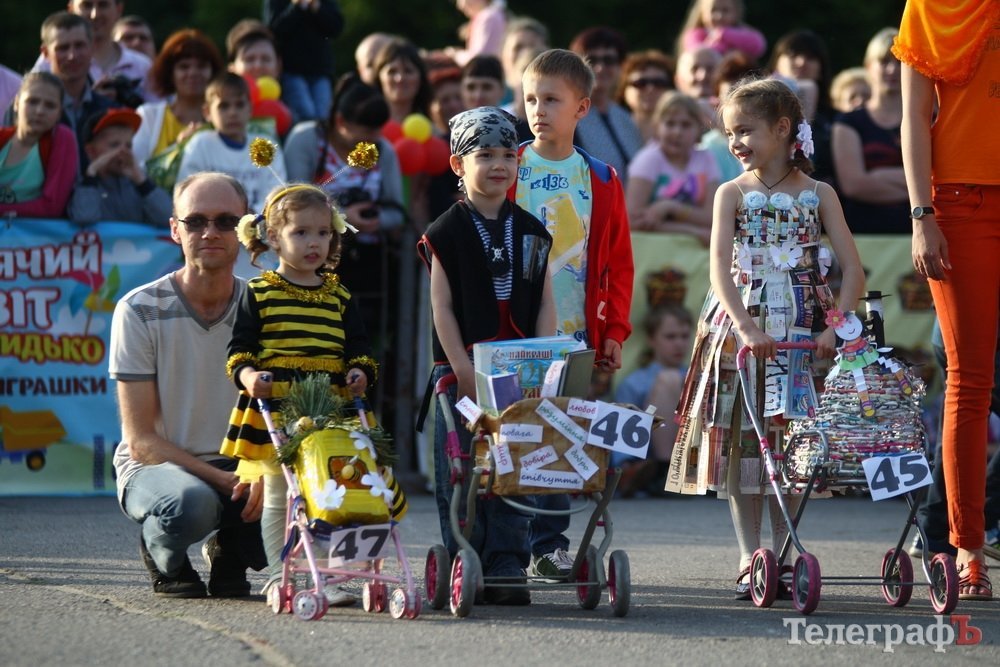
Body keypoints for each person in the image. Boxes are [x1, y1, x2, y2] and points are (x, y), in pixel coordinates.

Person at [671, 77, 864, 600]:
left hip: (803, 326)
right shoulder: (730, 193)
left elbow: (851, 269)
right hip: (741, 327)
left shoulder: (819, 193)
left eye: (746, 131)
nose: (735, 142)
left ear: (783, 129)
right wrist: (746, 326)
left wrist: (835, 325)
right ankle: (746, 553)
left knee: (791, 442)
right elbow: (718, 271)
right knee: (741, 443)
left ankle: (783, 553)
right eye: (730, 132)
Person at [223, 182, 403, 605]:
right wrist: (248, 375)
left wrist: (360, 368)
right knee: (279, 493)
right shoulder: (259, 291)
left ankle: (338, 573)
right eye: (301, 232)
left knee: (343, 487)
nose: (314, 242)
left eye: (323, 232)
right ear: (272, 237)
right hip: (277, 404)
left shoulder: (339, 294)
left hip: (334, 404)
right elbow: (240, 347)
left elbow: (358, 344)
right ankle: (276, 572)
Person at [419, 106, 554, 604]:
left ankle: (506, 563)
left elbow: (544, 301)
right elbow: (442, 306)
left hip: (519, 368)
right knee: (460, 469)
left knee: (515, 464)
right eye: (484, 155)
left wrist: (543, 360)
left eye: (507, 154)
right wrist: (460, 368)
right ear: (458, 164)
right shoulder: (446, 231)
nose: (498, 164)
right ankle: (465, 558)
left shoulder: (533, 229)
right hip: (463, 370)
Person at [110, 171, 266, 599]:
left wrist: (269, 476)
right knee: (191, 505)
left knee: (306, 497)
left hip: (241, 464)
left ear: (247, 227)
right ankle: (165, 555)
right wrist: (223, 483)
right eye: (195, 221)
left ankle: (230, 550)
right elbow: (141, 442)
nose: (210, 232)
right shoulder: (138, 309)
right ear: (175, 230)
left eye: (225, 221)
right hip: (162, 469)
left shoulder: (266, 308)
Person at [514, 48, 634, 579]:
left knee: (560, 439)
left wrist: (612, 330)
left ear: (582, 107)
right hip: (512, 332)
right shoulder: (506, 164)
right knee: (511, 434)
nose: (539, 110)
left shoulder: (601, 177)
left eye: (552, 100)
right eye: (531, 99)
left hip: (573, 334)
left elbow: (618, 263)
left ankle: (549, 545)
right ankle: (502, 544)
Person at [894, 0, 1000, 600]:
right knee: (971, 379)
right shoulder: (927, 10)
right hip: (957, 204)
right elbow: (913, 119)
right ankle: (966, 549)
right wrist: (921, 213)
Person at [283, 73, 405, 358]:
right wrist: (340, 217)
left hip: (369, 265)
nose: (373, 141)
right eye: (366, 131)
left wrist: (376, 221)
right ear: (341, 122)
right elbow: (290, 199)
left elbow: (397, 211)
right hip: (313, 262)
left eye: (378, 131)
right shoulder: (307, 140)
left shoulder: (384, 150)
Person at [11, 11, 116, 168]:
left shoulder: (110, 110)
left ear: (92, 47)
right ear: (45, 53)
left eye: (79, 46)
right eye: (63, 48)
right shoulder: (25, 109)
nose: (72, 55)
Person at [831, 28, 909, 234]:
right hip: (864, 238)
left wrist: (877, 176)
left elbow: (940, 184)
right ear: (868, 67)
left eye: (899, 61)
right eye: (884, 62)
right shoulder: (848, 122)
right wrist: (916, 186)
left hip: (919, 234)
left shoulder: (929, 118)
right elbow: (854, 185)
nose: (892, 69)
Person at [176, 73, 287, 214]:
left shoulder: (266, 145)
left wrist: (254, 216)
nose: (233, 113)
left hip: (259, 227)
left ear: (250, 109)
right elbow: (186, 194)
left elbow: (278, 195)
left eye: (240, 105)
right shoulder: (200, 145)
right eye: (224, 106)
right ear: (207, 112)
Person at [613, 305, 693, 497]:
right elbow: (621, 429)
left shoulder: (699, 374)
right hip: (650, 457)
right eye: (670, 337)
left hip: (693, 453)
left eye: (684, 336)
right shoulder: (635, 382)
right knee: (669, 379)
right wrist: (623, 463)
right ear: (651, 340)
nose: (679, 344)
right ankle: (663, 472)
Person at [626, 91, 719, 242]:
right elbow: (632, 221)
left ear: (698, 130)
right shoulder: (648, 160)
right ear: (657, 126)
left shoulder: (706, 159)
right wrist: (692, 231)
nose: (677, 132)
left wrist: (670, 207)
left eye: (686, 125)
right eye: (670, 123)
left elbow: (712, 217)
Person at [132, 29, 224, 176]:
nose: (193, 73)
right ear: (170, 74)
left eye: (201, 66)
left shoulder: (227, 120)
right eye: (184, 67)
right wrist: (178, 149)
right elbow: (136, 170)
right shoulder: (149, 116)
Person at [33, 2, 152, 107]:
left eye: (103, 5)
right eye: (87, 5)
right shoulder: (48, 64)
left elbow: (158, 119)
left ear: (119, 9)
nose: (95, 14)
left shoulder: (144, 66)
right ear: (71, 9)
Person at [68, 107, 171, 225]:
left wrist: (141, 181)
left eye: (128, 145)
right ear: (91, 151)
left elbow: (168, 219)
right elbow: (84, 217)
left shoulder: (138, 185)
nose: (123, 152)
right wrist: (91, 174)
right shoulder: (81, 185)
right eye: (114, 145)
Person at [568, 28, 643, 184]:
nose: (600, 68)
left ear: (621, 66)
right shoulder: (568, 116)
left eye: (609, 60)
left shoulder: (625, 118)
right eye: (591, 60)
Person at [0, 72, 78, 218]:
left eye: (50, 105)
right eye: (32, 101)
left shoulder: (62, 139)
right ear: (16, 103)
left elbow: (51, 207)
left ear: (59, 113)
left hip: (35, 240)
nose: (40, 111)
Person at [768, 30, 835, 184]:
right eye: (792, 55)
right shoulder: (758, 116)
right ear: (776, 62)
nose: (801, 62)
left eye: (810, 58)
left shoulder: (836, 120)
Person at [265, 0, 345, 122]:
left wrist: (317, 8)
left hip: (320, 71)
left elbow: (336, 27)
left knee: (324, 117)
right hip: (291, 71)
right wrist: (296, 7)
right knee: (304, 115)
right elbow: (274, 30)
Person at [616, 50, 675, 144]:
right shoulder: (613, 130)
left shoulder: (682, 131)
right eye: (641, 83)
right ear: (623, 89)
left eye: (659, 83)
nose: (650, 89)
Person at [678, 0, 766, 61]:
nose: (719, 16)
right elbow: (699, 54)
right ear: (702, 12)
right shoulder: (695, 34)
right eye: (713, 10)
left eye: (725, 10)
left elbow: (758, 46)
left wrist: (724, 34)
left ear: (736, 12)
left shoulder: (744, 33)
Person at [446, 0, 507, 66]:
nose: (460, 6)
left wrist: (455, 56)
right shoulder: (489, 16)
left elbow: (479, 61)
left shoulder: (489, 18)